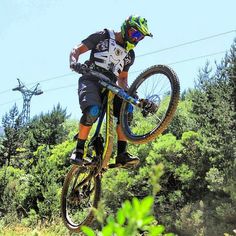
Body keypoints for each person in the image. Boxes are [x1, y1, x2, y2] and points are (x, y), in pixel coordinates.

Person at [69, 15, 152, 167]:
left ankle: (121, 154)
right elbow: (77, 50)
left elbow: (122, 79)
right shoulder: (103, 36)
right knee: (92, 111)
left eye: (140, 37)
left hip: (112, 86)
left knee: (127, 109)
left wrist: (134, 96)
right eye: (135, 34)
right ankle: (79, 150)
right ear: (126, 27)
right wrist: (74, 63)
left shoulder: (129, 55)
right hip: (91, 78)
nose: (136, 39)